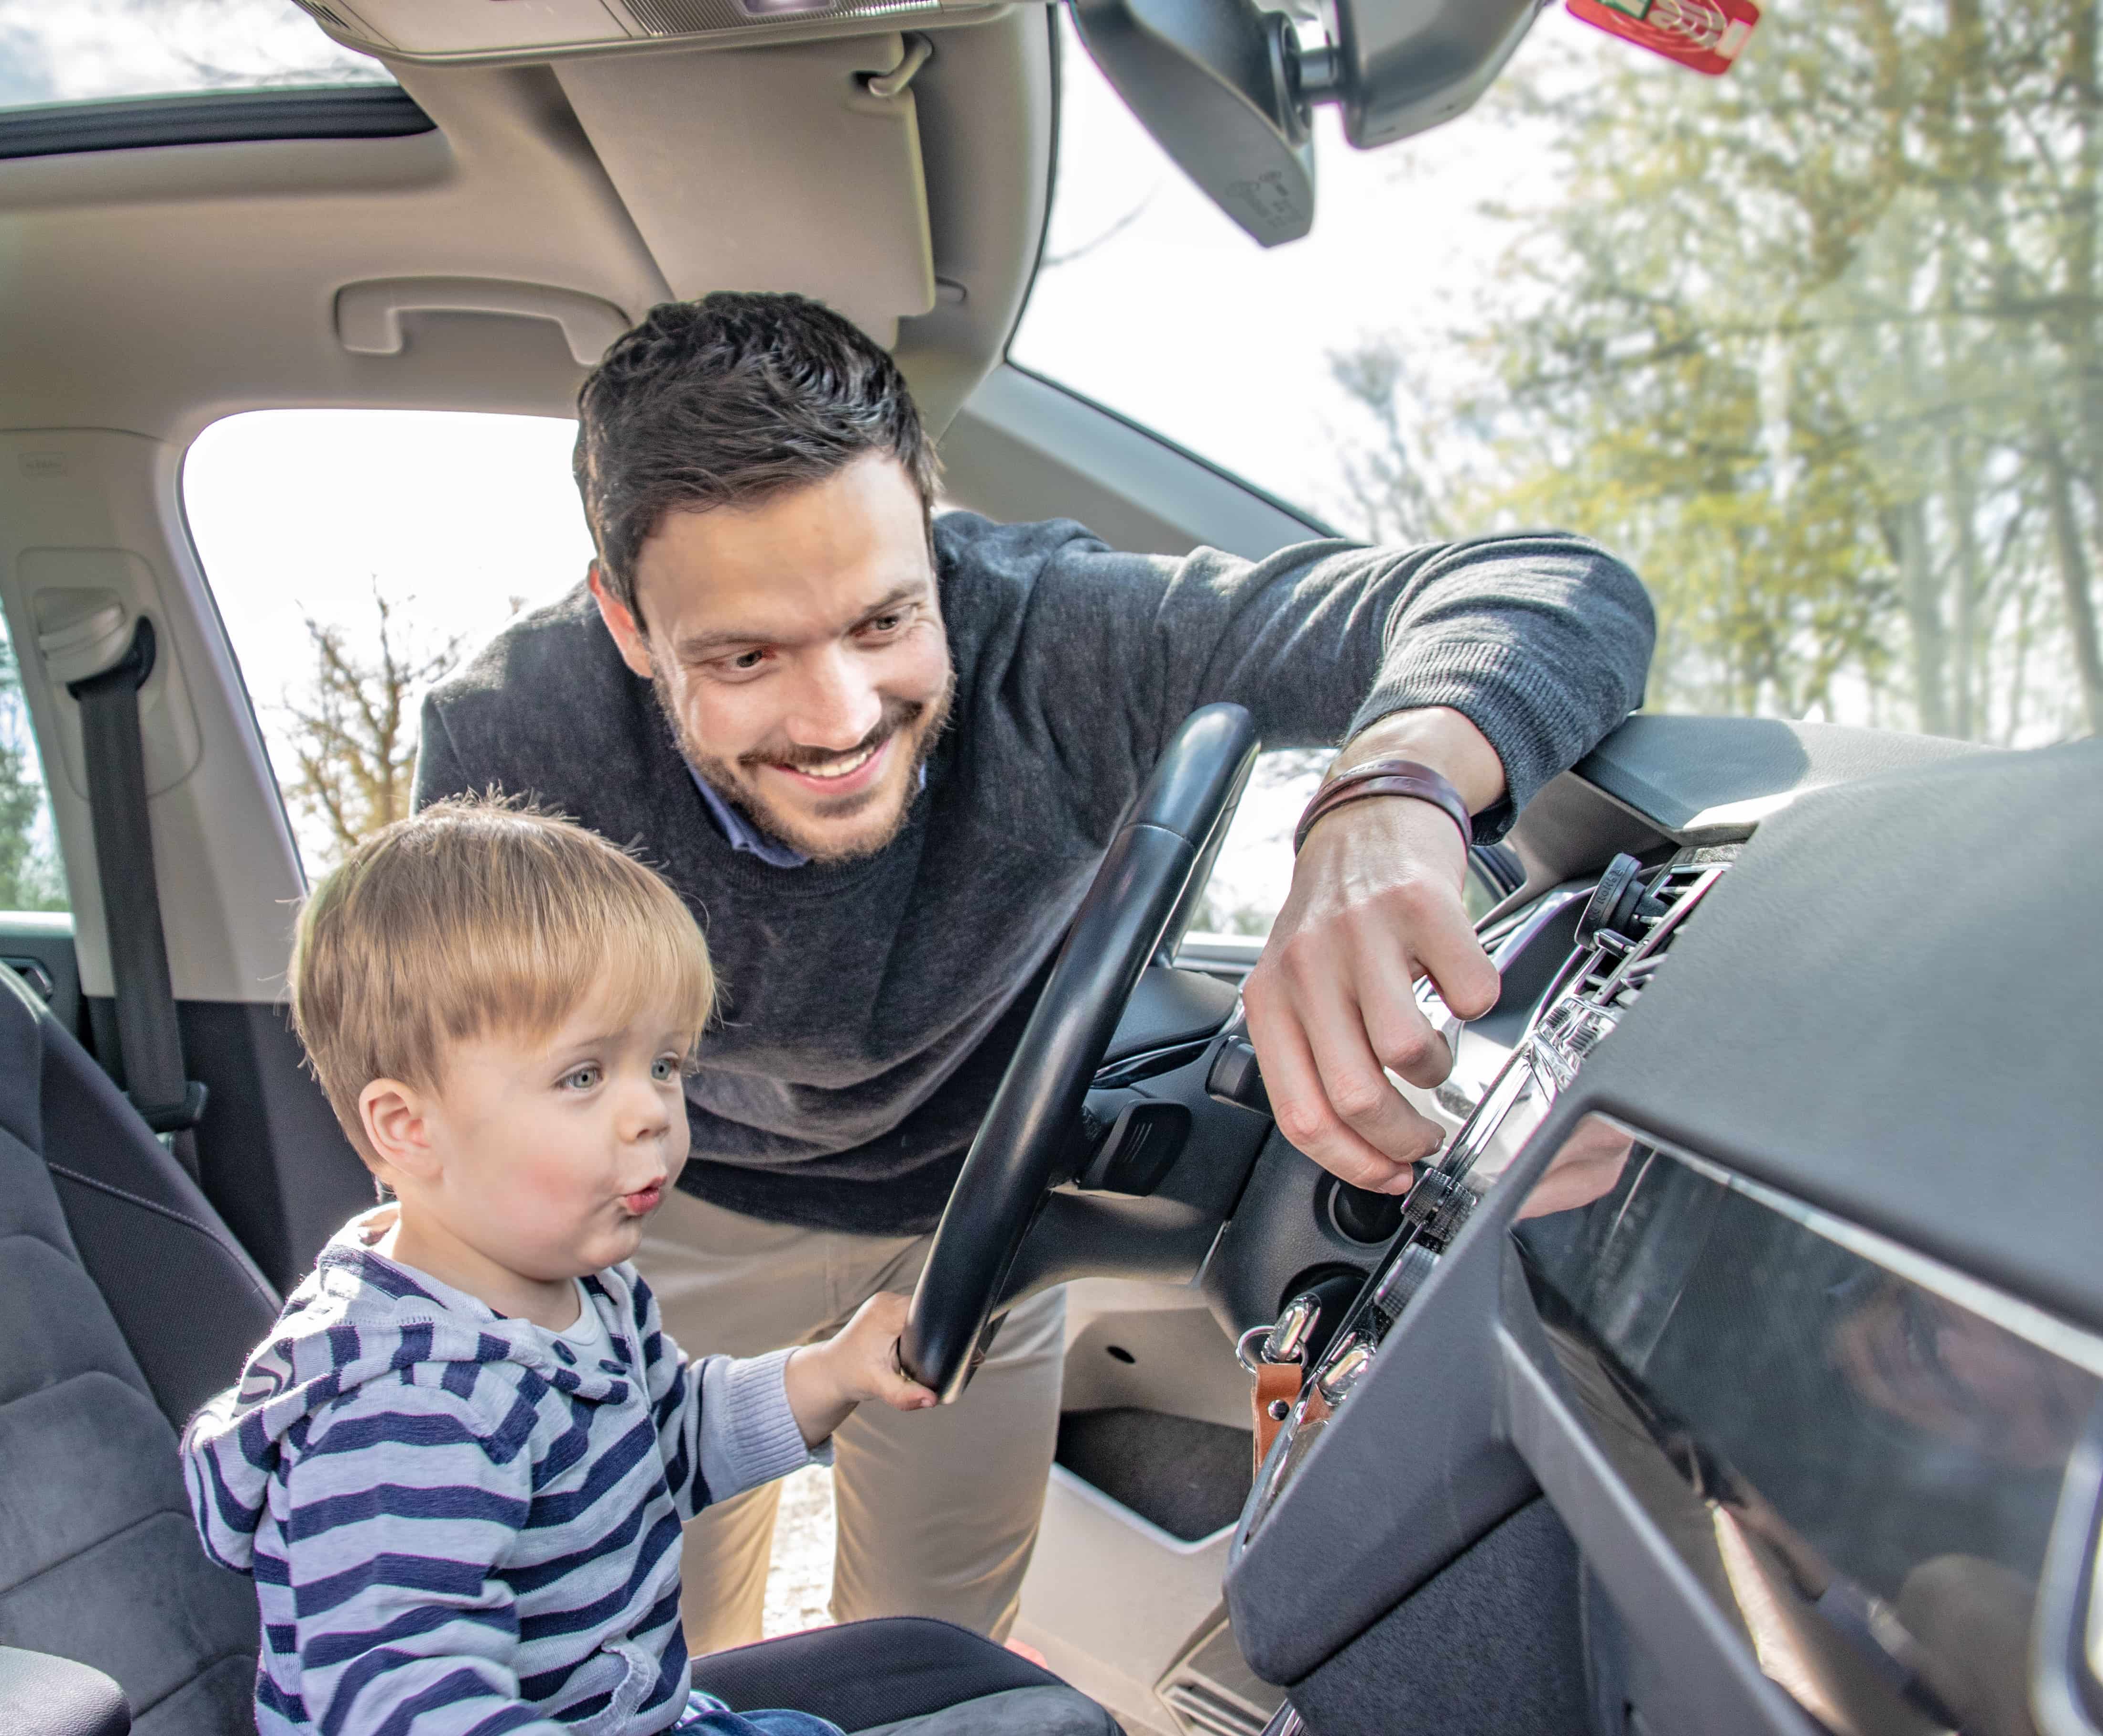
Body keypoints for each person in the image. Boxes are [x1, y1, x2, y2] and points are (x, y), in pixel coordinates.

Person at [416, 292, 1658, 1651]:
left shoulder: (1054, 630)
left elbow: (1554, 585)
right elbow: (473, 1073)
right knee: (640, 1631)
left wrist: (1390, 792)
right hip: (675, 1218)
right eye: (748, 656)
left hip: (972, 1220)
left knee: (937, 1651)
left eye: (885, 622)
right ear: (627, 622)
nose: (840, 720)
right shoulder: (510, 737)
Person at [180, 799, 1118, 1736]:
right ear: (407, 1128)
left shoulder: (575, 1296)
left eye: (665, 1066)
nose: (654, 1116)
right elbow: (402, 1702)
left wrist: (827, 1376)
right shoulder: (406, 1409)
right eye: (583, 1077)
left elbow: (664, 1440)